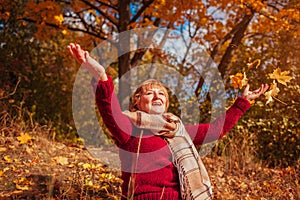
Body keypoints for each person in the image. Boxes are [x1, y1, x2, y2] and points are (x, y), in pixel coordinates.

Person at [67, 43, 269, 200]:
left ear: (166, 103)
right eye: (149, 92)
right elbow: (108, 109)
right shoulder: (129, 128)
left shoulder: (177, 130)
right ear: (136, 102)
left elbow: (217, 130)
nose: (157, 95)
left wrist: (243, 102)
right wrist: (101, 75)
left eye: (161, 93)